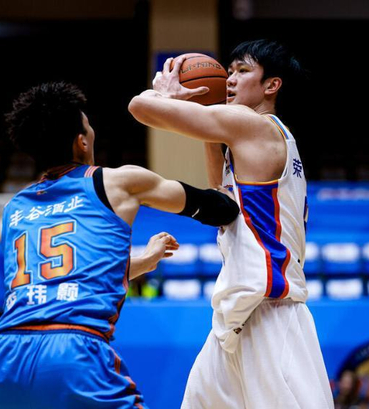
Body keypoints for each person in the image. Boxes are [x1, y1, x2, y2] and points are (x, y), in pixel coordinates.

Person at [0, 82, 239, 408]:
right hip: (72, 349)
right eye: (88, 126)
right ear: (82, 141)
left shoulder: (14, 208)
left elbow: (61, 277)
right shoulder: (117, 182)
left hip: (2, 356)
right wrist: (209, 124)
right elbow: (222, 209)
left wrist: (144, 261)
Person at [129, 39, 334, 408]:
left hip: (271, 313)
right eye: (229, 70)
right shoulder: (258, 138)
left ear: (272, 85)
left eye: (243, 70)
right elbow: (223, 201)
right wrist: (208, 132)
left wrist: (165, 93)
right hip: (237, 316)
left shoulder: (253, 125)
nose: (230, 79)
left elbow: (139, 107)